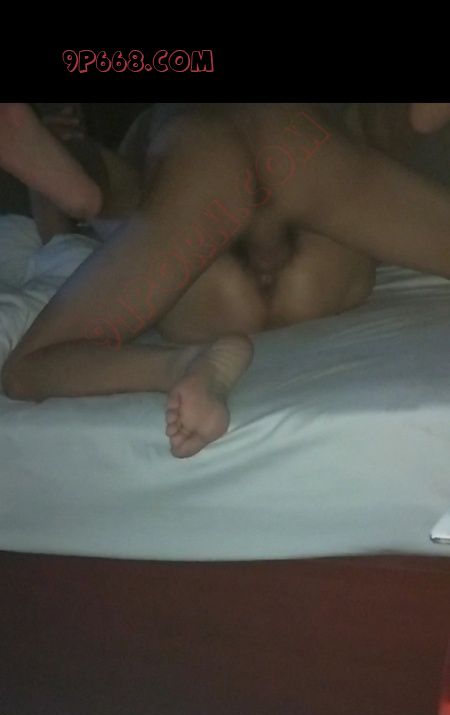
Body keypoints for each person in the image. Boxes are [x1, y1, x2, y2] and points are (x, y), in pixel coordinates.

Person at [3, 102, 450, 459]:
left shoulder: (152, 119)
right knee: (367, 129)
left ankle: (181, 366)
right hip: (302, 160)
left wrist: (69, 165)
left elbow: (99, 204)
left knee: (30, 367)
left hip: (206, 215)